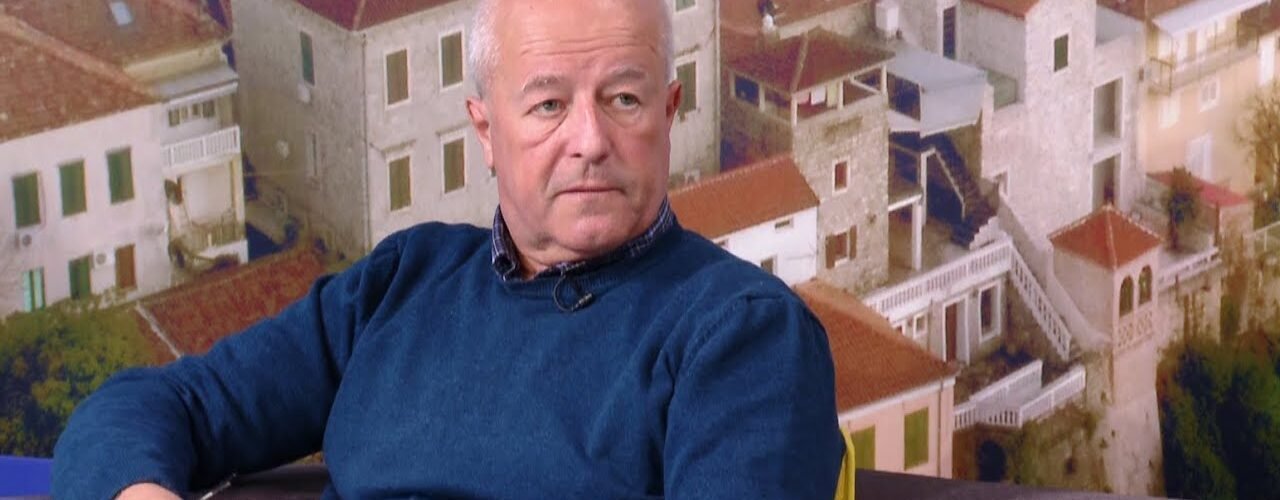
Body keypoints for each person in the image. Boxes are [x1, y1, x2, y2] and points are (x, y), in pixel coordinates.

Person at [52, 0, 844, 497]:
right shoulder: (401, 284)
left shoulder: (742, 337)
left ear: (668, 113)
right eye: (547, 105)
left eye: (624, 98)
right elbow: (143, 409)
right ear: (485, 132)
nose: (589, 140)